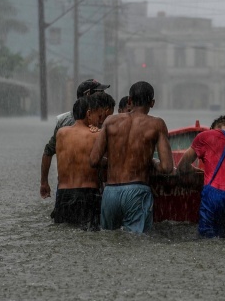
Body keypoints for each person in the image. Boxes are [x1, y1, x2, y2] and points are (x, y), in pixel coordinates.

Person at [89, 81, 173, 233]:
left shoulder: (110, 121)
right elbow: (167, 167)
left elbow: (94, 160)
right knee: (136, 245)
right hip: (137, 191)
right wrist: (152, 162)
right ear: (152, 103)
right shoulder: (157, 124)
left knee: (109, 241)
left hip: (110, 193)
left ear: (129, 100)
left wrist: (116, 162)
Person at [40, 79, 110, 198]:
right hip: (89, 191)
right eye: (100, 93)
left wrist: (44, 182)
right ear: (88, 95)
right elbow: (48, 152)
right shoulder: (68, 122)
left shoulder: (64, 123)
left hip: (67, 190)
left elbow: (48, 152)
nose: (104, 96)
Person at [51, 95, 112, 230]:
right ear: (88, 114)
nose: (100, 120)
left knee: (65, 234)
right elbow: (109, 162)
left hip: (63, 195)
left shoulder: (61, 134)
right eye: (99, 116)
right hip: (87, 195)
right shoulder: (96, 135)